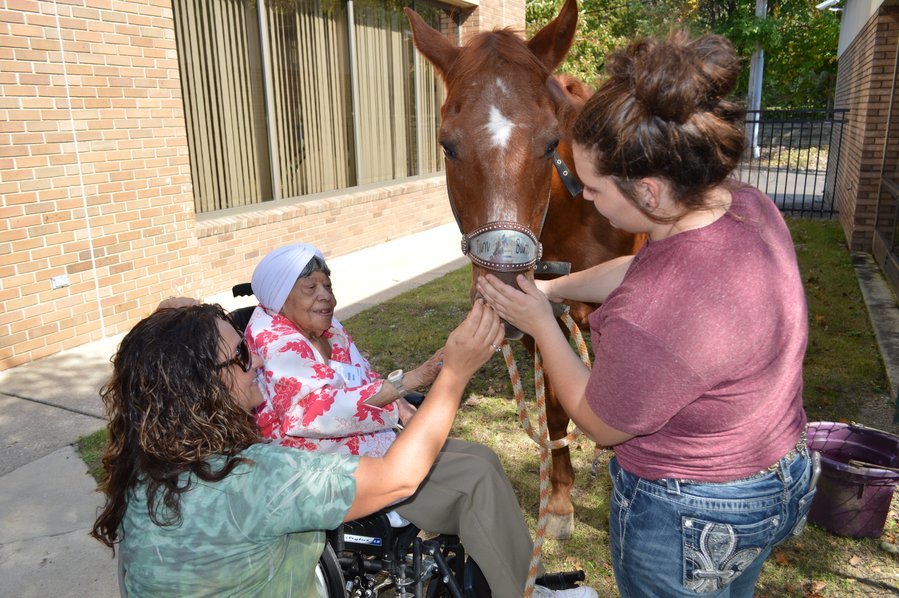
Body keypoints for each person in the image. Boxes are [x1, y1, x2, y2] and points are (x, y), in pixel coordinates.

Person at [477, 31, 818, 597]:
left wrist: (539, 323)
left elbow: (602, 422)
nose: (585, 199)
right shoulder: (745, 207)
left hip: (694, 512)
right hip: (777, 470)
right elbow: (640, 270)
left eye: (592, 188)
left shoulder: (656, 313)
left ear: (650, 192)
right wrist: (553, 290)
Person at [246, 243, 598, 598]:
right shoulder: (275, 341)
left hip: (369, 445)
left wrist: (401, 406)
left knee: (482, 457)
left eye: (328, 286)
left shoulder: (327, 329)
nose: (326, 297)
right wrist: (412, 380)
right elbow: (314, 412)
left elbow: (363, 378)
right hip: (327, 469)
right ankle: (520, 592)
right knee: (473, 481)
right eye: (311, 288)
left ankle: (523, 580)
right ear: (280, 295)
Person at [90, 299, 503, 596]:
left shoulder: (144, 466)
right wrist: (454, 373)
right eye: (239, 357)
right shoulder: (253, 479)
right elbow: (397, 478)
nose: (255, 365)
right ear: (199, 385)